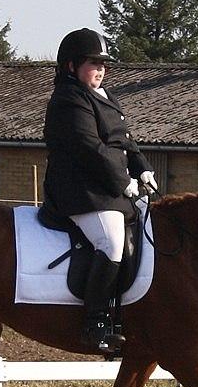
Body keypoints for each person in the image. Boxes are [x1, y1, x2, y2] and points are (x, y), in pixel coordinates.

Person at [42, 28, 158, 353]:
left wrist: (143, 167)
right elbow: (90, 148)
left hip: (106, 187)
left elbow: (124, 139)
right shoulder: (68, 99)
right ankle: (94, 323)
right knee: (111, 241)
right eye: (94, 63)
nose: (101, 69)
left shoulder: (104, 95)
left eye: (103, 64)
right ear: (71, 67)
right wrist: (124, 181)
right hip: (79, 190)